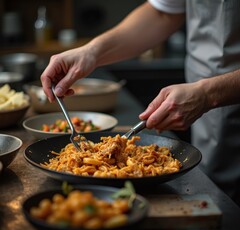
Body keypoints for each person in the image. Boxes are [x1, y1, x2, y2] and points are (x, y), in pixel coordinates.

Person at [41, 0, 240, 206]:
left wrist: (209, 94)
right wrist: (91, 51)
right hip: (204, 94)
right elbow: (163, 13)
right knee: (218, 196)